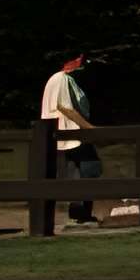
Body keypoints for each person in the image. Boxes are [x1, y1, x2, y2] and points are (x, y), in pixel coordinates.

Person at [40, 52, 100, 226]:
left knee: (79, 171)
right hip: (70, 132)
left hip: (70, 134)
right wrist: (89, 128)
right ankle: (80, 212)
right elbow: (66, 107)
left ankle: (80, 212)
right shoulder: (61, 79)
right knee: (90, 168)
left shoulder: (63, 80)